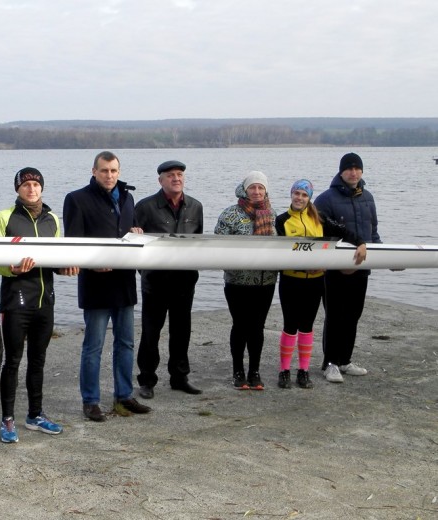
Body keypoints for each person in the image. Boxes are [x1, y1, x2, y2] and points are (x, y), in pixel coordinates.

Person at [0, 167, 79, 443]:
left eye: (36, 184)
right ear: (17, 189)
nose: (31, 188)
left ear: (42, 188)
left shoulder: (52, 219)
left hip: (44, 302)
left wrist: (66, 269)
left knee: (38, 361)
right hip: (16, 302)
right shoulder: (4, 218)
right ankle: (7, 419)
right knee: (12, 362)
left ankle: (35, 415)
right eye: (25, 184)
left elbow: (55, 258)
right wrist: (11, 269)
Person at [63, 151, 151, 421]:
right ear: (94, 171)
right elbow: (73, 243)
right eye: (104, 171)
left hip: (123, 281)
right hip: (95, 283)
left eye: (113, 171)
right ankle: (90, 401)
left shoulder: (127, 197)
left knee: (125, 342)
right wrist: (89, 265)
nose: (109, 175)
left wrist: (136, 232)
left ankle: (123, 395)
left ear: (119, 172)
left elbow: (127, 232)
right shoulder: (77, 199)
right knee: (94, 345)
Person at [275, 179, 365, 389]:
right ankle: (284, 371)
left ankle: (304, 371)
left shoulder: (319, 218)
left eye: (304, 195)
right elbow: (279, 255)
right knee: (290, 327)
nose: (300, 198)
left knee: (307, 327)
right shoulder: (282, 220)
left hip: (315, 283)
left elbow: (344, 231)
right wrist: (301, 268)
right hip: (291, 281)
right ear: (291, 195)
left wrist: (360, 243)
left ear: (309, 198)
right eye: (296, 193)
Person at [135, 160, 204, 399]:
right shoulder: (145, 206)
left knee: (182, 331)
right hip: (155, 282)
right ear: (160, 180)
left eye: (180, 174)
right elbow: (135, 243)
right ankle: (146, 380)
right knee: (150, 333)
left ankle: (179, 377)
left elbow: (198, 243)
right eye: (171, 175)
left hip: (185, 282)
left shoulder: (195, 206)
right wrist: (145, 273)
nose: (176, 178)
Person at [314, 152, 380, 383]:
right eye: (349, 168)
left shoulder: (368, 197)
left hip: (361, 267)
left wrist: (388, 258)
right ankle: (329, 363)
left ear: (361, 171)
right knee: (335, 315)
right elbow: (321, 234)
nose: (353, 172)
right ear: (341, 172)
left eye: (357, 168)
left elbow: (373, 234)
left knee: (353, 315)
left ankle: (345, 360)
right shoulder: (325, 199)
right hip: (334, 270)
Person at [214, 171, 278, 390]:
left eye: (261, 188)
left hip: (265, 281)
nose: (257, 192)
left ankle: (255, 372)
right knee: (240, 326)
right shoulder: (230, 214)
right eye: (253, 188)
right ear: (245, 189)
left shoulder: (271, 214)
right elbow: (219, 247)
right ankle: (238, 371)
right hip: (237, 282)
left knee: (258, 327)